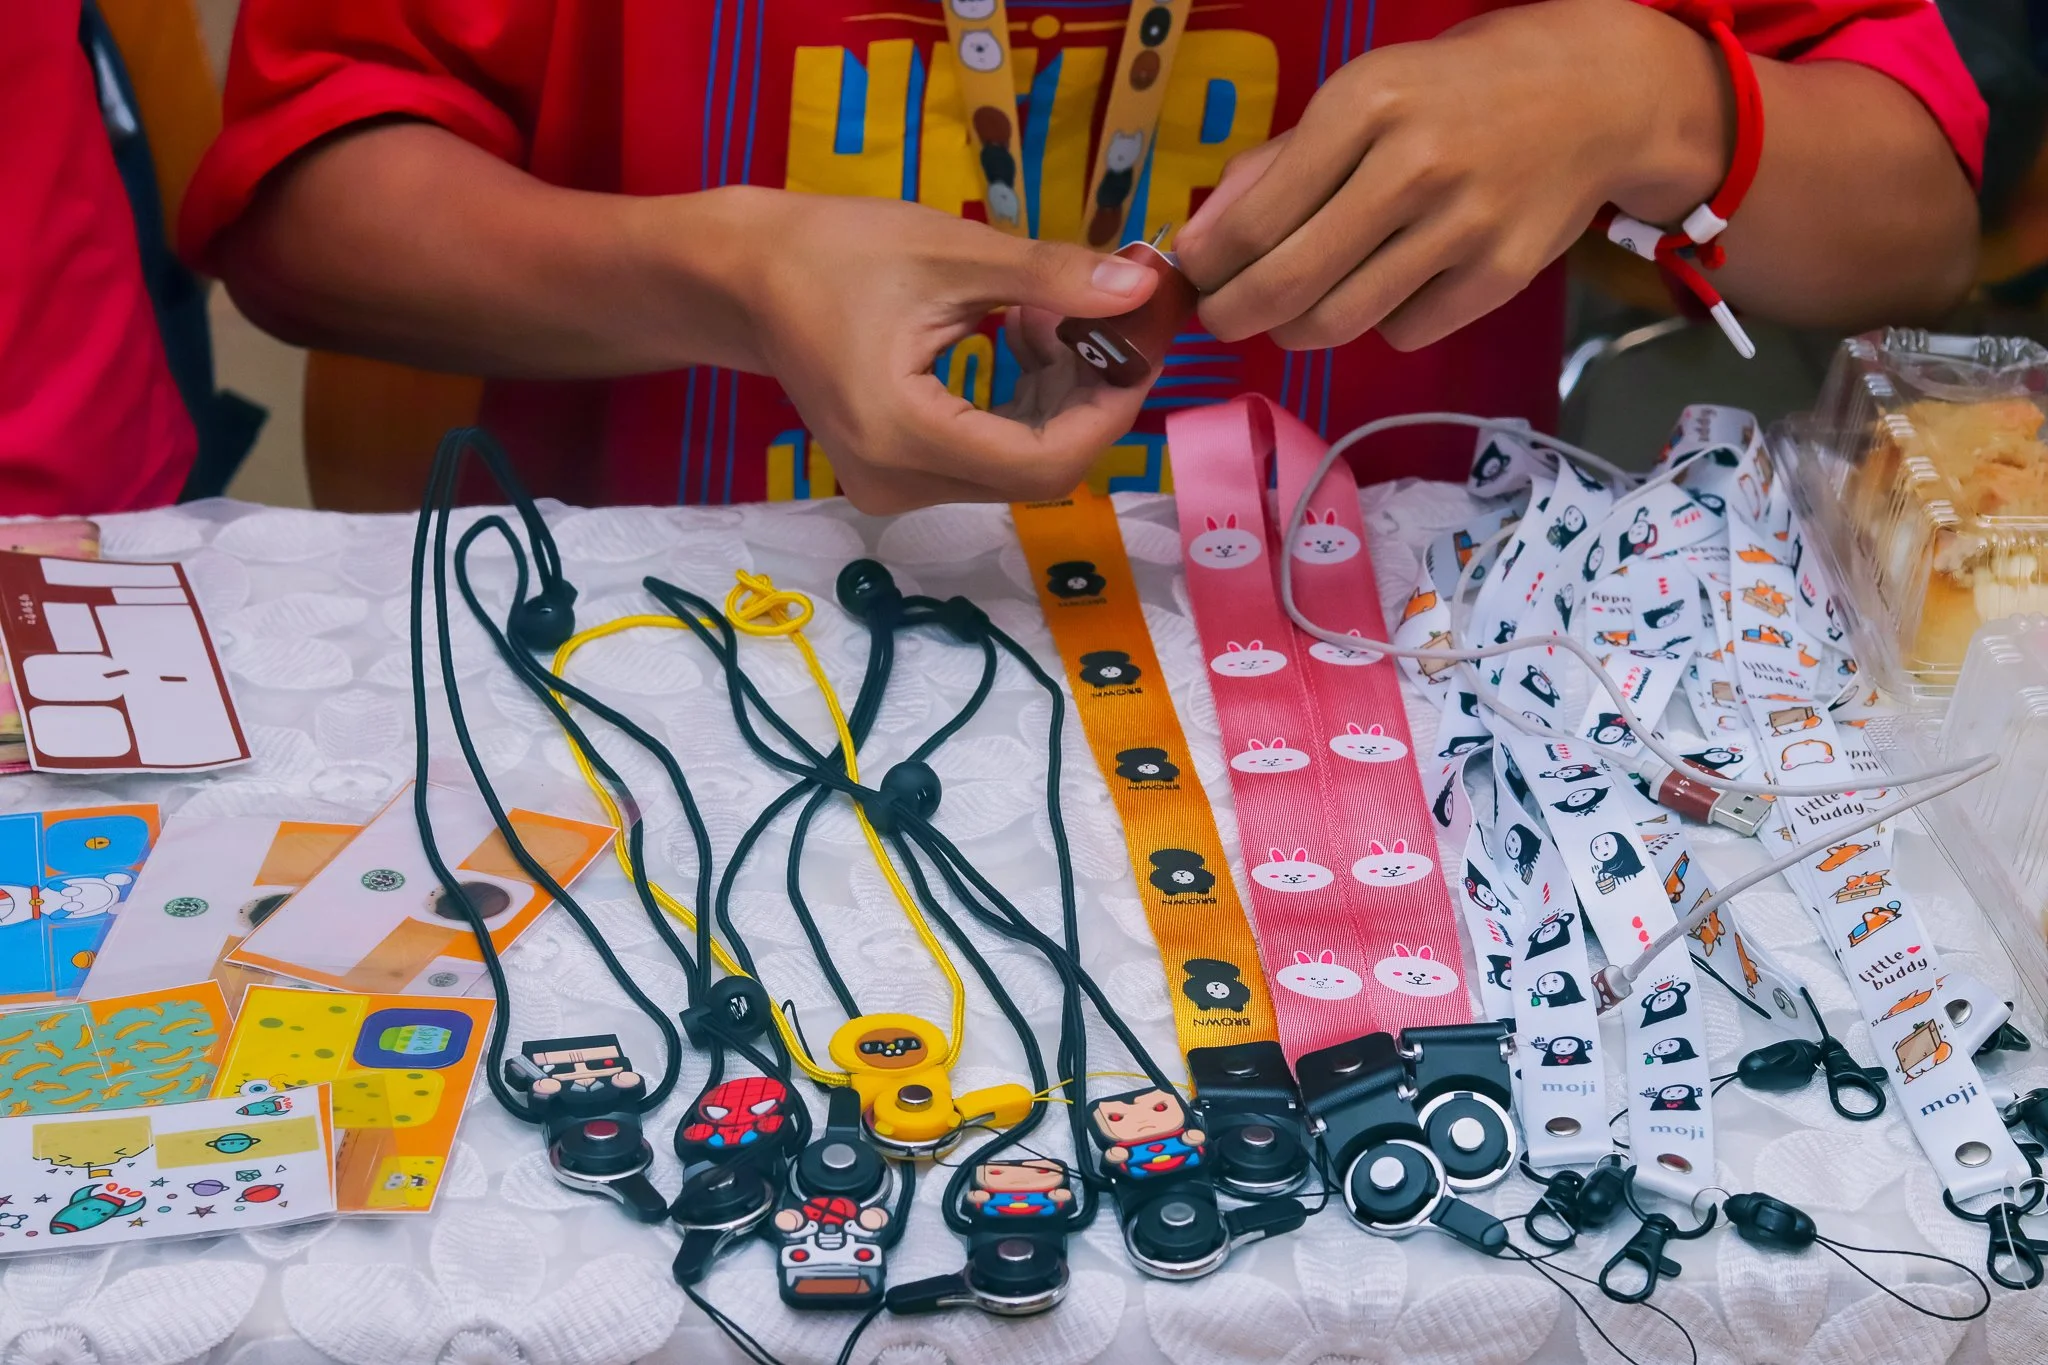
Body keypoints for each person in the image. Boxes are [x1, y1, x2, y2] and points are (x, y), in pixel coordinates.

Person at [183, 0, 1987, 514]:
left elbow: (1915, 217)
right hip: (710, 666)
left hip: (1372, 708)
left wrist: (1644, 89)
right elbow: (303, 215)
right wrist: (713, 274)